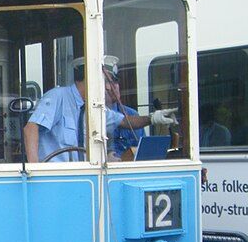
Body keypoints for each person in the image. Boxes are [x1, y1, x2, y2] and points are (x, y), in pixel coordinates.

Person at [23, 56, 178, 163]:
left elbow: (125, 121)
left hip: (82, 178)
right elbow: (31, 129)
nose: (108, 87)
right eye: (105, 80)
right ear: (91, 76)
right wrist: (36, 171)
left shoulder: (93, 106)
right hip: (55, 179)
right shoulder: (58, 96)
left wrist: (152, 118)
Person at [105, 65, 144, 159]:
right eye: (108, 82)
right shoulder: (90, 115)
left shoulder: (132, 114)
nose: (114, 86)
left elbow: (142, 150)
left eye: (115, 82)